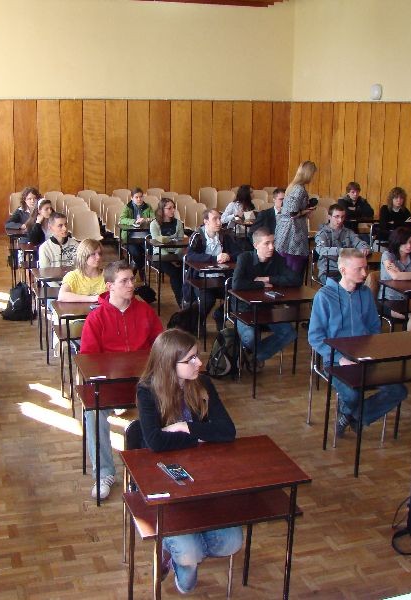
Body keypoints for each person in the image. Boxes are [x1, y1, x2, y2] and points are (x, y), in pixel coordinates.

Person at [136, 329, 242, 594]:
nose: (199, 363)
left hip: (201, 479)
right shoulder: (147, 391)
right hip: (163, 481)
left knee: (233, 541)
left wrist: (186, 427)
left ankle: (175, 548)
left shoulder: (202, 384)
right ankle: (179, 551)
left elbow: (227, 431)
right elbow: (155, 442)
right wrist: (200, 438)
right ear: (169, 364)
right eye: (191, 359)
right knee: (189, 553)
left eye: (197, 356)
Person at [79, 261, 163, 500]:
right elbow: (88, 360)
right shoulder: (96, 318)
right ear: (110, 286)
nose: (131, 285)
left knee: (173, 398)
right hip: (112, 383)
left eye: (132, 279)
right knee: (94, 412)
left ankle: (157, 464)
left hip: (143, 380)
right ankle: (104, 472)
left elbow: (161, 345)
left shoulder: (145, 311)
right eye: (124, 281)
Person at [308, 249, 407, 436]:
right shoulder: (324, 296)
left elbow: (374, 328)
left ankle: (351, 416)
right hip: (335, 360)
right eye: (359, 269)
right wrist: (340, 358)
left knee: (398, 390)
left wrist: (371, 352)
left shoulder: (366, 294)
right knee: (353, 394)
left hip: (365, 358)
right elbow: (315, 337)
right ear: (343, 270)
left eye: (366, 268)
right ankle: (352, 412)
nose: (365, 273)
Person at [232, 228, 298, 371]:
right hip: (244, 310)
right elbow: (236, 284)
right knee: (250, 337)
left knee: (290, 333)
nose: (271, 247)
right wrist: (261, 284)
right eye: (266, 243)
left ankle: (254, 357)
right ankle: (250, 354)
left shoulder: (276, 258)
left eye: (273, 242)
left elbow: (295, 279)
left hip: (266, 309)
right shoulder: (245, 258)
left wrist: (268, 278)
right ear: (256, 245)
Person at [186, 208, 240, 331]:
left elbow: (239, 253)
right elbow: (190, 255)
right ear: (206, 221)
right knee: (208, 300)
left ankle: (219, 314)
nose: (219, 222)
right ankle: (195, 324)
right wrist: (214, 258)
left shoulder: (225, 235)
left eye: (219, 219)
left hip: (222, 278)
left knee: (237, 297)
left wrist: (228, 256)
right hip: (201, 279)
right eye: (215, 219)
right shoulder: (197, 236)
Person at [275, 160, 317, 282]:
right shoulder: (299, 189)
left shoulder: (292, 186)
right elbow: (293, 213)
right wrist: (307, 210)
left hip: (285, 228)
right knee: (293, 263)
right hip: (293, 230)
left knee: (287, 262)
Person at [314, 204, 370, 284]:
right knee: (343, 286)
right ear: (329, 217)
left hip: (348, 270)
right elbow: (321, 250)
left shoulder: (348, 232)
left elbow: (360, 243)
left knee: (363, 283)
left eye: (342, 217)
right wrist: (343, 251)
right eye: (336, 217)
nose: (340, 220)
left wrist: (364, 248)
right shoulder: (322, 233)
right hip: (329, 271)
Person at [149, 197, 185, 307]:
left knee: (186, 271)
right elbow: (158, 244)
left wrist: (175, 257)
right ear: (162, 210)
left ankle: (188, 299)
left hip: (176, 255)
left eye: (173, 208)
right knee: (175, 273)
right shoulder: (154, 224)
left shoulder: (178, 223)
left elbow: (180, 242)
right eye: (169, 208)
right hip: (160, 256)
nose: (173, 210)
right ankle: (181, 302)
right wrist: (171, 259)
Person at [119, 187, 154, 278]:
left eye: (141, 197)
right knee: (137, 253)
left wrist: (146, 219)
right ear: (132, 198)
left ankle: (134, 264)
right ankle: (141, 268)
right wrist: (134, 221)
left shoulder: (148, 207)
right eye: (136, 197)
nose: (139, 199)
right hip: (131, 237)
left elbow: (154, 218)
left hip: (145, 236)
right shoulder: (127, 207)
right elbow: (122, 219)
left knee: (150, 251)